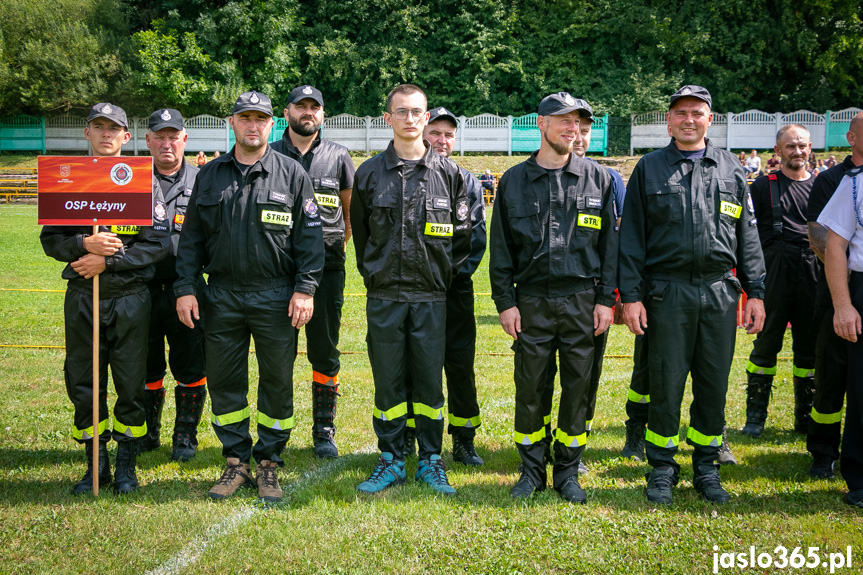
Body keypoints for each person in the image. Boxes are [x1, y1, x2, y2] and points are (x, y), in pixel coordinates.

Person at [619, 85, 766, 505]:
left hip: (720, 292)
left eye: (696, 113)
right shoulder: (649, 168)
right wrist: (631, 297)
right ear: (668, 121)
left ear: (710, 119)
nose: (688, 119)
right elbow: (631, 240)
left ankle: (707, 467)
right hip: (667, 292)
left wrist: (755, 292)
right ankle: (661, 468)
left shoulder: (732, 169)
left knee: (713, 382)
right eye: (680, 113)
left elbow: (748, 237)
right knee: (665, 383)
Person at [174, 91, 324, 503]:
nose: (253, 125)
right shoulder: (210, 175)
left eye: (261, 119)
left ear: (272, 124)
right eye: (245, 118)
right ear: (232, 122)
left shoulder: (292, 174)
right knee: (225, 382)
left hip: (276, 296)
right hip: (220, 295)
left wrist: (305, 288)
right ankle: (235, 460)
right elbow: (191, 241)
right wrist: (186, 288)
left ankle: (269, 463)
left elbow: (310, 240)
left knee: (277, 381)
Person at [490, 92, 618, 503]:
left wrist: (605, 300)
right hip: (531, 302)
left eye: (579, 121)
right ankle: (531, 472)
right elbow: (501, 249)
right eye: (564, 120)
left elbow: (610, 247)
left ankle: (567, 472)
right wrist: (505, 303)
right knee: (531, 388)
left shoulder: (598, 178)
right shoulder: (513, 180)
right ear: (541, 124)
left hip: (582, 300)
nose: (573, 128)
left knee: (579, 387)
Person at [40, 103, 171, 494]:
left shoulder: (141, 180)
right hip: (82, 297)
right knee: (83, 381)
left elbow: (158, 243)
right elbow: (51, 241)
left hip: (129, 297)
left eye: (114, 129)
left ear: (126, 137)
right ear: (87, 133)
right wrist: (84, 242)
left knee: (131, 382)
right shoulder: (67, 181)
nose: (106, 134)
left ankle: (127, 465)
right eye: (99, 127)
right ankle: (95, 465)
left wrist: (108, 260)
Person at [351, 84, 470, 495]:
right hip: (384, 296)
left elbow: (463, 238)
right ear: (389, 118)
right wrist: (376, 275)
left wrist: (440, 280)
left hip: (431, 299)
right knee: (387, 383)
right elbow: (362, 235)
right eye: (400, 111)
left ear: (425, 117)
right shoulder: (367, 173)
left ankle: (431, 460)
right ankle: (391, 459)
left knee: (429, 384)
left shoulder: (450, 174)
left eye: (416, 111)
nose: (409, 118)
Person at [537, 101, 629, 475]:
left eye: (585, 129)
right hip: (541, 298)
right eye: (570, 125)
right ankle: (539, 447)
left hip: (588, 297)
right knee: (538, 378)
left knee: (583, 379)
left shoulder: (608, 179)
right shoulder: (532, 175)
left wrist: (613, 297)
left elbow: (616, 239)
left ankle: (576, 447)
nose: (577, 134)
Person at [398, 106, 486, 466]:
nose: (442, 140)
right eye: (435, 133)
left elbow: (474, 242)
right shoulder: (406, 177)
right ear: (422, 133)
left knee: (459, 365)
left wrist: (444, 278)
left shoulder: (467, 181)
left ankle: (464, 440)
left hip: (453, 292)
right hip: (411, 292)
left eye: (449, 134)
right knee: (408, 365)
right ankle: (406, 436)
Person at [270, 85, 355, 459]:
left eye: (314, 107)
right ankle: (278, 426)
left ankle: (324, 430)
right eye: (300, 106)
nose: (307, 112)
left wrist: (333, 245)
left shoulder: (338, 156)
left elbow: (349, 212)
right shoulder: (269, 155)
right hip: (277, 271)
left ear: (323, 114)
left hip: (327, 270)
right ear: (286, 112)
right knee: (279, 354)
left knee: (325, 351)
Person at [138, 109, 208, 462]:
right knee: (145, 365)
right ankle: (148, 431)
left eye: (173, 136)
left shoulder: (204, 178)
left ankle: (185, 434)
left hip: (189, 290)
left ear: (185, 139)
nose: (166, 143)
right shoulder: (130, 179)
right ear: (147, 140)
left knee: (191, 365)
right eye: (159, 137)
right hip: (141, 288)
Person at [741, 125, 818, 438]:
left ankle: (804, 418)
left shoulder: (822, 184)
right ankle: (755, 417)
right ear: (777, 151)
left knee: (809, 349)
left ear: (810, 148)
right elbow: (747, 233)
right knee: (766, 345)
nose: (796, 151)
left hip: (813, 271)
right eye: (790, 146)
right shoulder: (763, 185)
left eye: (801, 146)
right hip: (774, 271)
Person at [805, 111, 863, 479]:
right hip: (837, 290)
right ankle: (823, 452)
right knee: (831, 372)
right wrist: (842, 289)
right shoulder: (831, 180)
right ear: (851, 138)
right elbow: (821, 237)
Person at [816, 163, 863, 509]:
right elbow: (834, 246)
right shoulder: (854, 185)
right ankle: (861, 480)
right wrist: (843, 305)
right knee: (861, 390)